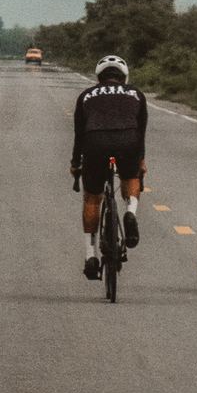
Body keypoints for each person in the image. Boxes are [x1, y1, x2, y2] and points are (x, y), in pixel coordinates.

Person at [71, 54, 146, 280]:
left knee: (92, 198)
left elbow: (79, 135)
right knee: (130, 177)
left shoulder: (86, 96)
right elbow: (141, 132)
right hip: (128, 141)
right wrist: (140, 161)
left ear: (99, 76)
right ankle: (130, 212)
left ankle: (90, 255)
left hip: (95, 142)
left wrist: (76, 164)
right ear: (123, 77)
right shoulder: (136, 94)